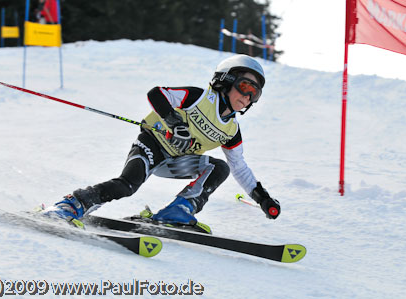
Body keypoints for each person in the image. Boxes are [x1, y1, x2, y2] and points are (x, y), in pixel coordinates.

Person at [43, 54, 281, 228]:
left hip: (176, 161)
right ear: (226, 80)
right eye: (245, 86)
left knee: (221, 167)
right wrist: (174, 122)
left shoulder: (231, 130)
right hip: (152, 146)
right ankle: (72, 205)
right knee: (127, 185)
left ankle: (178, 210)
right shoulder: (198, 98)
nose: (248, 97)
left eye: (255, 93)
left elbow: (240, 167)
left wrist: (262, 198)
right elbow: (157, 94)